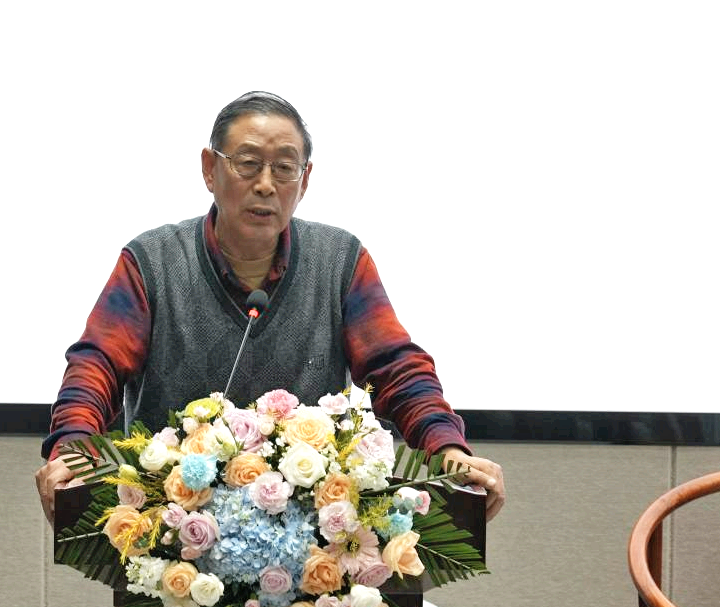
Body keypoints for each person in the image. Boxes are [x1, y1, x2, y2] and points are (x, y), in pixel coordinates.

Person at [35, 91, 505, 524]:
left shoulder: (340, 261)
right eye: (247, 164)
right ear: (209, 169)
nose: (265, 184)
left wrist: (447, 448)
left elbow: (396, 368)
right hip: (171, 530)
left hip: (310, 534)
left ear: (305, 181)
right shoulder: (152, 261)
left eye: (284, 168)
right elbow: (96, 364)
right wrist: (72, 452)